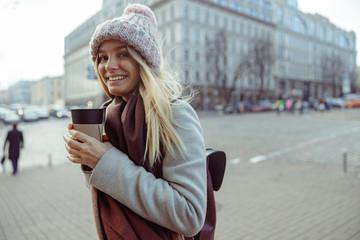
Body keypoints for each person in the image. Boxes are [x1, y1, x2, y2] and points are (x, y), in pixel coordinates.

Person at [63, 3, 207, 240]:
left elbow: (189, 215)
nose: (108, 66)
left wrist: (104, 159)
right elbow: (109, 191)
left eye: (123, 54)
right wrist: (87, 157)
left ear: (144, 61)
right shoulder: (109, 116)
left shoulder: (175, 114)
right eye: (102, 57)